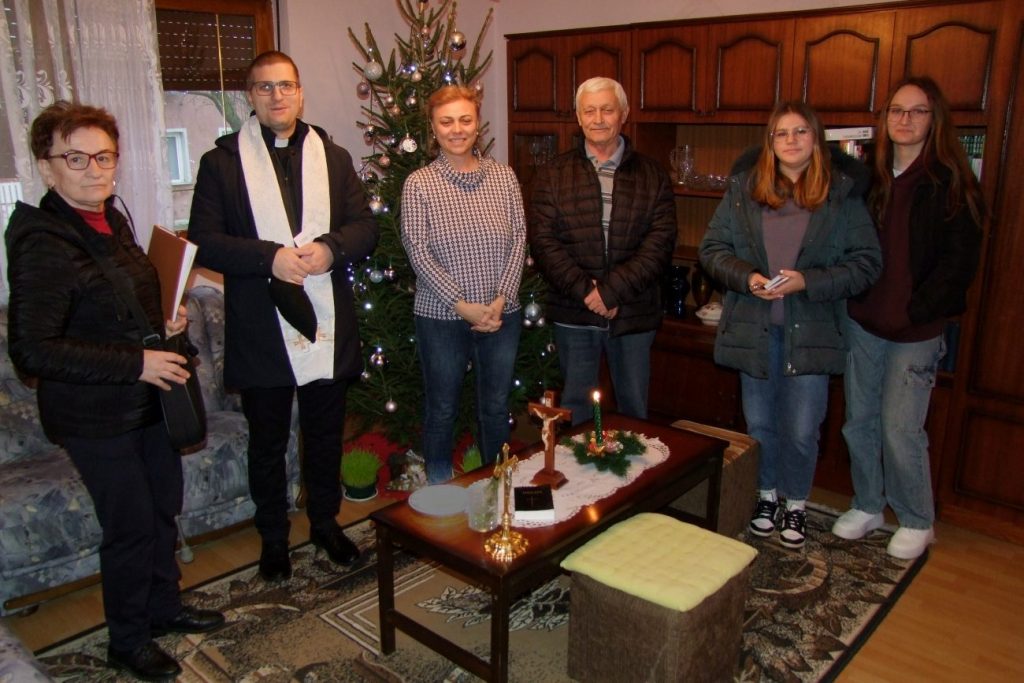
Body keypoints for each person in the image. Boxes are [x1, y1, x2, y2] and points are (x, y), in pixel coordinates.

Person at [6, 101, 224, 681]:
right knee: (129, 526)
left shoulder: (109, 221)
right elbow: (33, 350)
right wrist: (136, 361)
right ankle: (127, 641)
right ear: (47, 166)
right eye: (76, 158)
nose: (94, 170)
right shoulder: (43, 242)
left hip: (146, 399)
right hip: (95, 416)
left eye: (104, 157)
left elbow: (116, 305)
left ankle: (163, 608)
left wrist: (166, 320)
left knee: (162, 509)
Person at [188, 51, 378, 581]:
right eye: (265, 87)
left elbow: (366, 228)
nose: (277, 96)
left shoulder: (333, 157)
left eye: (286, 86)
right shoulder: (221, 163)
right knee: (268, 441)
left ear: (300, 92)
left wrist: (332, 248)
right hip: (260, 325)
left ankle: (325, 524)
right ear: (250, 95)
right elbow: (203, 240)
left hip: (326, 320)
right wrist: (267, 257)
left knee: (325, 434)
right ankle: (273, 536)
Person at [699, 101, 882, 549]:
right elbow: (712, 250)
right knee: (760, 426)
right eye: (781, 133)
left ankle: (795, 503)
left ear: (816, 139)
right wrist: (748, 277)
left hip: (812, 334)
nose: (791, 141)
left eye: (800, 131)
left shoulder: (840, 195)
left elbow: (867, 263)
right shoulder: (744, 191)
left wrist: (808, 282)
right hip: (755, 330)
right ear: (770, 142)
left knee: (801, 429)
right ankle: (766, 497)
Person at [833, 77, 984, 560]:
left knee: (901, 428)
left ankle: (917, 518)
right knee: (859, 421)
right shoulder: (867, 179)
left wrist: (917, 310)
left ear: (934, 119)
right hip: (863, 322)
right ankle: (868, 504)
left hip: (916, 331)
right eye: (896, 110)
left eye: (917, 111)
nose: (905, 120)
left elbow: (960, 264)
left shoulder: (952, 182)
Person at [529, 77, 676, 426]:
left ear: (623, 114)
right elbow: (544, 242)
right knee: (576, 407)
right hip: (574, 312)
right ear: (578, 118)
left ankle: (633, 465)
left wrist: (611, 292)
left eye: (607, 110)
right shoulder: (552, 175)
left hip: (633, 312)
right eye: (589, 111)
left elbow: (660, 243)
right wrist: (588, 292)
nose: (598, 119)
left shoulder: (652, 174)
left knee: (634, 410)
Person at [401, 85, 526, 484]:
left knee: (495, 407)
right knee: (442, 409)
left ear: (477, 124)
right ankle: (440, 490)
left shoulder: (504, 177)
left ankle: (498, 486)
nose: (457, 129)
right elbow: (417, 250)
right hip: (441, 317)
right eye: (446, 122)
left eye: (465, 120)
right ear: (433, 128)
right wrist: (461, 304)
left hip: (501, 314)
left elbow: (519, 239)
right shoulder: (419, 184)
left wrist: (501, 298)